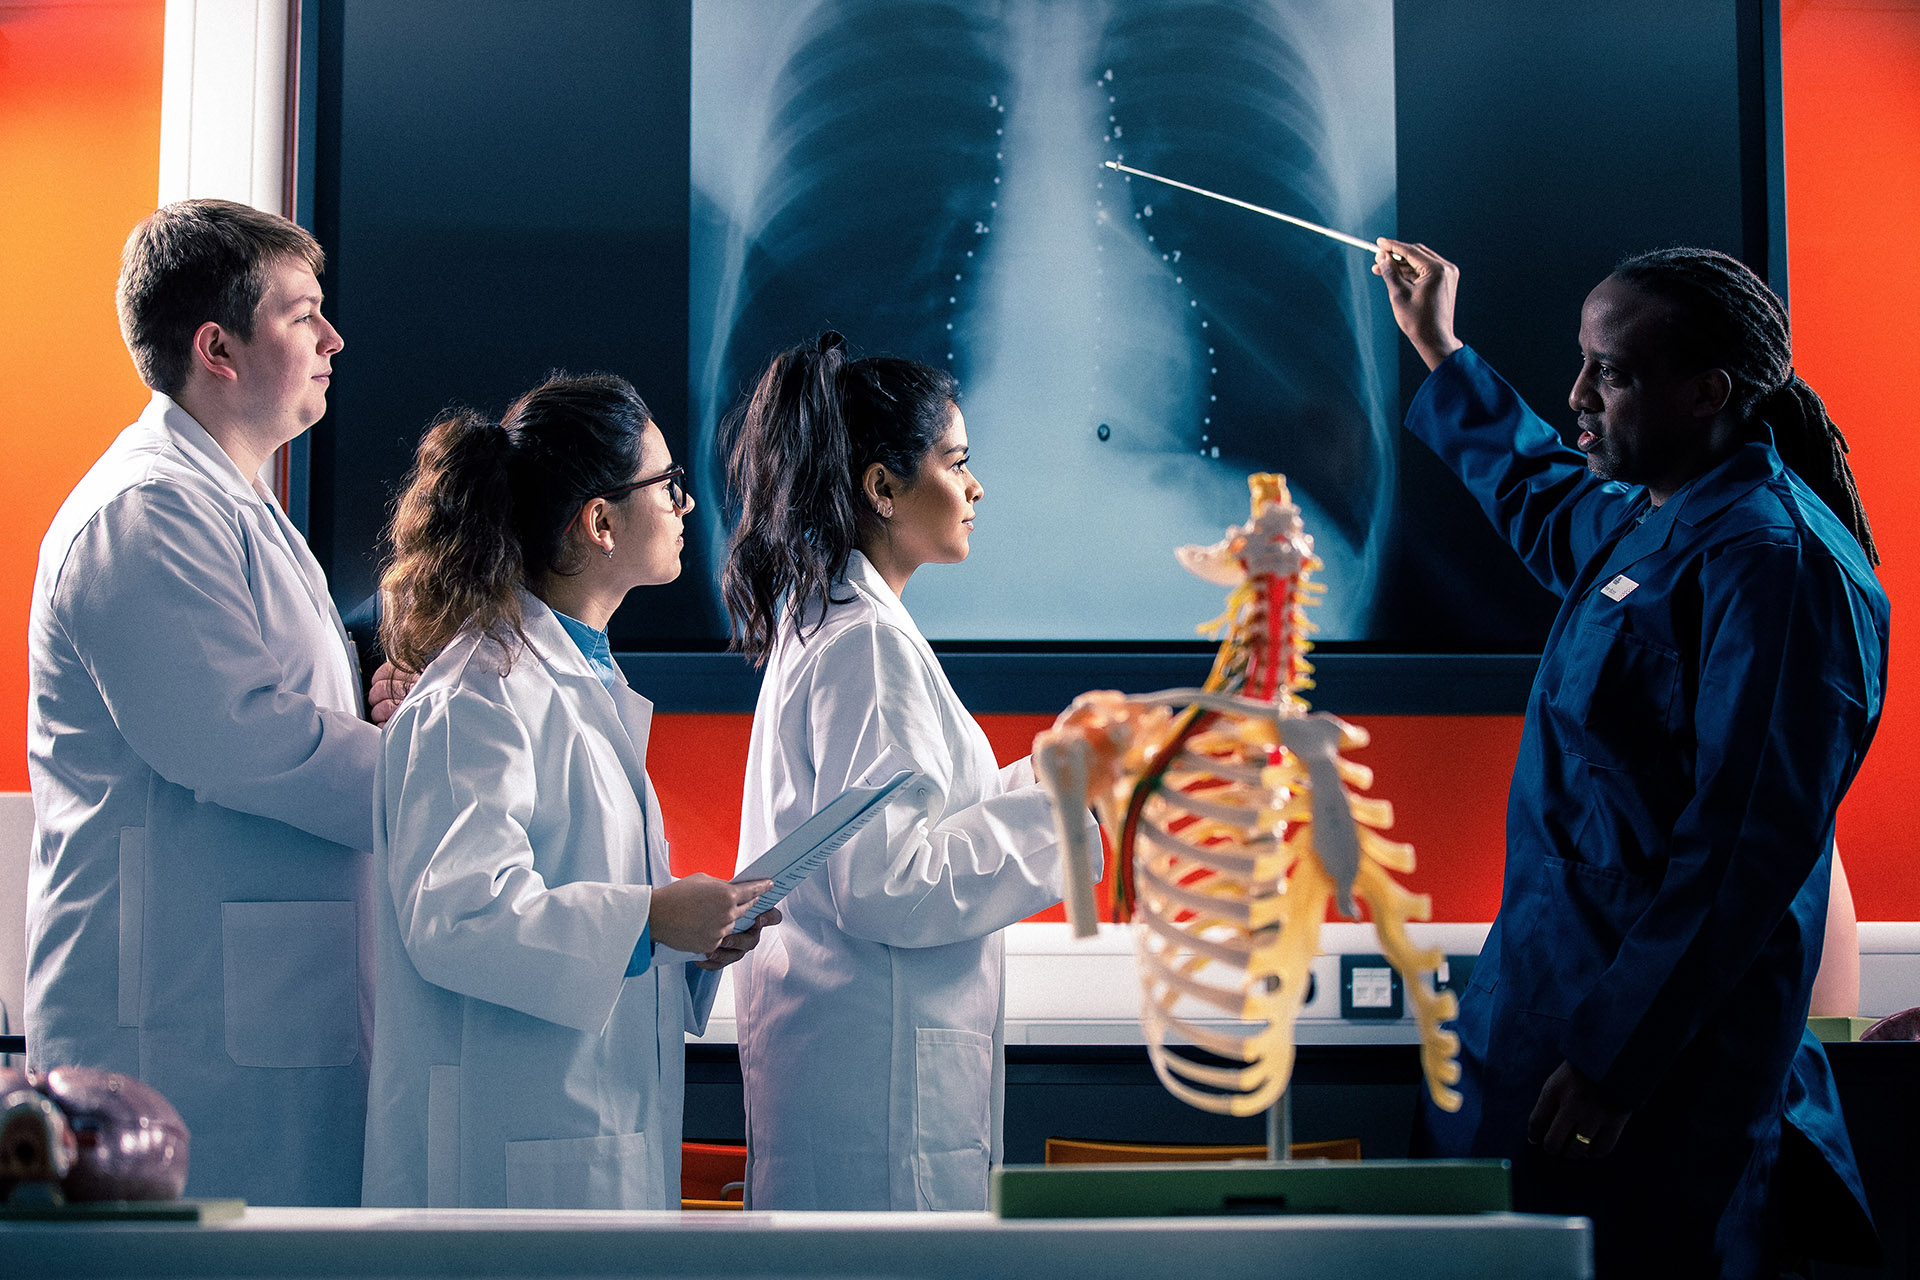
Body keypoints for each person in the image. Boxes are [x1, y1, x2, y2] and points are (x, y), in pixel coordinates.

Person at [1373, 239, 1887, 1276]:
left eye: (1609, 373)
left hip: (1656, 1061)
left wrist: (1618, 1060)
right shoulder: (1657, 518)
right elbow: (1540, 492)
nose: (1577, 396)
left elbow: (1742, 854)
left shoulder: (1774, 564)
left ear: (1707, 393)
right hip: (1544, 1001)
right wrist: (1440, 347)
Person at [25, 199, 405, 1205]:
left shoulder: (231, 504)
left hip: (263, 1009)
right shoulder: (144, 511)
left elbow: (272, 714)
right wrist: (436, 770)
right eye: (302, 314)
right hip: (179, 1030)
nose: (333, 339)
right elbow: (234, 738)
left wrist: (374, 717)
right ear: (217, 349)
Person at [361, 372, 775, 1209]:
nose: (688, 504)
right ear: (600, 522)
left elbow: (577, 902)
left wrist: (683, 942)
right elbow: (459, 920)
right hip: (505, 1166)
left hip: (578, 1137)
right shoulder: (476, 698)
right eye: (668, 484)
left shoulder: (580, 680)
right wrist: (649, 920)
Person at [721, 333, 1099, 1211]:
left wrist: (1052, 780)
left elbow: (909, 824)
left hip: (853, 1071)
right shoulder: (866, 644)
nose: (975, 488)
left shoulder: (838, 622)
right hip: (878, 1108)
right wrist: (1071, 807)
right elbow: (887, 880)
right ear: (883, 488)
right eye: (956, 463)